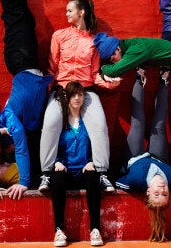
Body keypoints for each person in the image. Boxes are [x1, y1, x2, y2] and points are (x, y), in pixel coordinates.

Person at [35, 0, 121, 192]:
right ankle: (47, 174)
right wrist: (45, 88)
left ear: (81, 11)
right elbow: (52, 66)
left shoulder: (94, 41)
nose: (66, 14)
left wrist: (110, 83)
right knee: (50, 124)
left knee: (99, 126)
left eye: (70, 10)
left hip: (86, 90)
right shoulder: (59, 36)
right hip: (62, 89)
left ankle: (102, 174)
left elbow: (94, 73)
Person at [94, 33, 171, 187]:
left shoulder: (136, 49)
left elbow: (114, 71)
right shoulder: (133, 46)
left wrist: (103, 69)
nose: (114, 61)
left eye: (112, 58)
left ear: (117, 49)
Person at [0, 0, 54, 199]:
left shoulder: (10, 119)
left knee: (16, 15)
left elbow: (19, 146)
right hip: (28, 63)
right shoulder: (27, 123)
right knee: (26, 20)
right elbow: (24, 146)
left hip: (20, 61)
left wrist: (25, 182)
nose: (12, 141)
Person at [114, 68, 171, 242]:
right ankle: (163, 80)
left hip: (134, 158)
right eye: (165, 194)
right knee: (159, 124)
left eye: (157, 194)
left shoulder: (135, 181)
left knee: (138, 123)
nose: (162, 190)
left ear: (147, 192)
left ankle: (139, 78)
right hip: (158, 158)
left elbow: (117, 181)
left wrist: (134, 183)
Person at [49, 81, 103, 247]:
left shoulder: (88, 121)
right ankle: (59, 230)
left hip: (83, 170)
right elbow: (50, 145)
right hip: (65, 170)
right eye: (74, 95)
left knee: (94, 177)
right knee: (57, 179)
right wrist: (57, 162)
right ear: (67, 97)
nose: (78, 98)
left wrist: (92, 161)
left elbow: (98, 142)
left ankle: (95, 229)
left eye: (80, 94)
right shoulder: (60, 122)